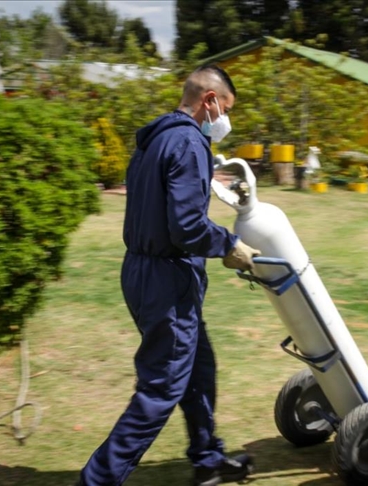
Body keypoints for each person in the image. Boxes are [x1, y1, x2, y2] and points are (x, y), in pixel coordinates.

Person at [77, 65, 261, 486]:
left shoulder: (152, 141)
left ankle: (207, 457)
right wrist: (229, 245)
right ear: (210, 101)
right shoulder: (188, 143)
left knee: (198, 368)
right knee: (161, 389)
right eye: (226, 109)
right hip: (167, 279)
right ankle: (96, 481)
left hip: (142, 271)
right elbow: (187, 227)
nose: (225, 121)